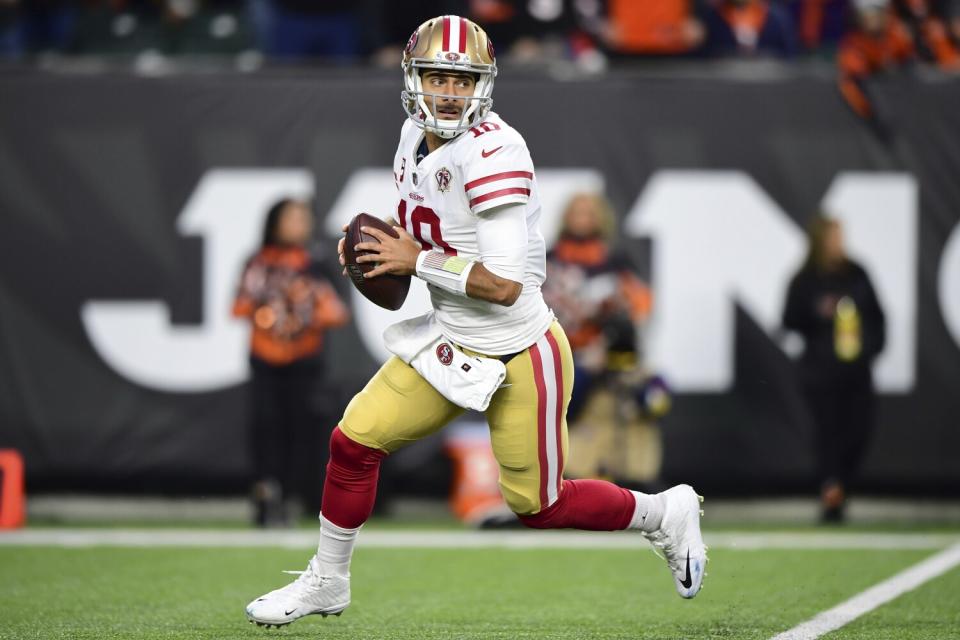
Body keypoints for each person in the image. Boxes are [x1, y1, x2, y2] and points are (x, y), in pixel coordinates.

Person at [245, 16, 707, 628]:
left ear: (483, 86)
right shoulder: (412, 135)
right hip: (451, 343)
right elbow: (432, 228)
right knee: (352, 443)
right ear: (413, 79)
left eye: (462, 81)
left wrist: (414, 258)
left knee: (537, 506)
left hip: (520, 352)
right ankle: (328, 581)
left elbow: (505, 283)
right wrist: (378, 250)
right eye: (436, 77)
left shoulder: (495, 151)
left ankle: (663, 512)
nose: (447, 93)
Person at [233, 198, 349, 527]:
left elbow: (337, 311)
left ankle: (293, 497)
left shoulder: (316, 263)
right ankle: (264, 496)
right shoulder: (258, 263)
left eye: (302, 218)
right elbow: (240, 306)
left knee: (300, 432)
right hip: (265, 362)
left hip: (305, 364)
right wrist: (274, 308)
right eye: (291, 218)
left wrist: (304, 304)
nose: (298, 224)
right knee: (265, 429)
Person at [543, 193, 668, 488]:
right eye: (578, 211)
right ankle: (563, 467)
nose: (583, 218)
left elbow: (642, 307)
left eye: (589, 211)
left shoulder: (615, 260)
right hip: (565, 351)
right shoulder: (549, 259)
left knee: (656, 393)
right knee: (569, 390)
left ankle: (637, 470)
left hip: (611, 351)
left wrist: (615, 319)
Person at [782, 215, 886, 523]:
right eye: (832, 237)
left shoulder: (857, 274)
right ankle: (831, 492)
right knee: (827, 435)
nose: (838, 243)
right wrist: (817, 313)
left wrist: (871, 349)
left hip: (856, 371)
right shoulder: (805, 280)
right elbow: (789, 319)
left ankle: (843, 484)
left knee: (858, 431)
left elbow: (877, 317)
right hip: (820, 372)